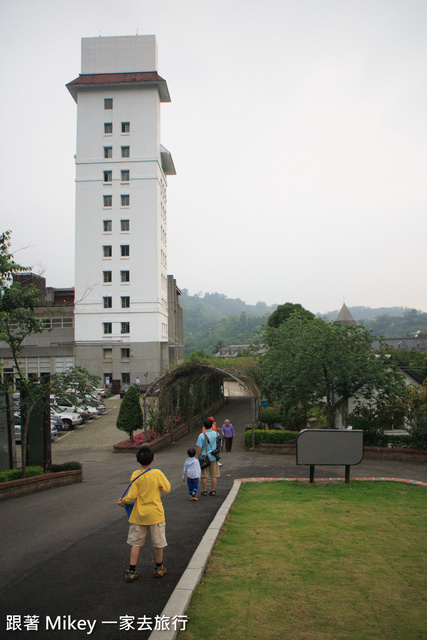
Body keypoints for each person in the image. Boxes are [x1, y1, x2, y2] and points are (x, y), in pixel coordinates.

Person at [117, 445, 171, 582]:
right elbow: (167, 489)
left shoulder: (136, 475)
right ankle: (159, 568)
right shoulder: (157, 473)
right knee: (158, 543)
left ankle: (131, 570)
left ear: (137, 461)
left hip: (139, 515)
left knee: (136, 543)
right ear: (153, 459)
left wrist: (123, 501)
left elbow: (132, 496)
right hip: (155, 514)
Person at [196, 417, 220, 496]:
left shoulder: (202, 435)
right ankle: (213, 490)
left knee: (204, 475)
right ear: (211, 425)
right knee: (214, 474)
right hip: (213, 456)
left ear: (204, 426)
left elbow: (199, 448)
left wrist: (197, 457)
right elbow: (219, 444)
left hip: (204, 457)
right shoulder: (216, 434)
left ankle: (204, 490)